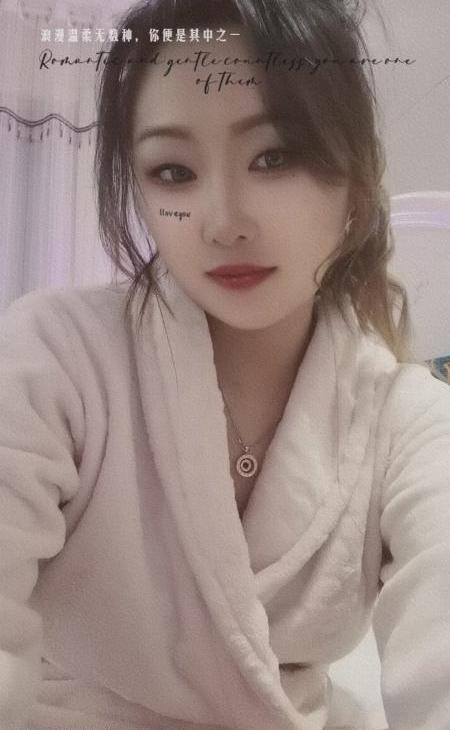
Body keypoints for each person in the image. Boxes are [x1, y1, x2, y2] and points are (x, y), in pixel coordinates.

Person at [0, 0, 449, 729]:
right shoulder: (52, 359)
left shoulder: (409, 422)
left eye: (274, 156)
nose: (222, 220)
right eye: (173, 171)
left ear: (355, 190)